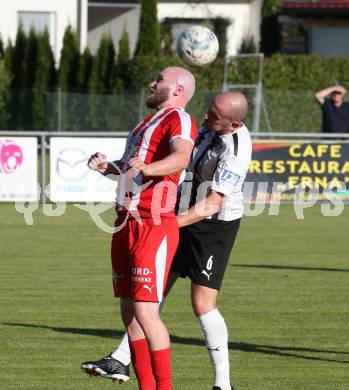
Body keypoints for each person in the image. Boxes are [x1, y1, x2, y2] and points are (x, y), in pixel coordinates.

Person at [82, 91, 252, 390]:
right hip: (177, 211)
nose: (206, 118)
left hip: (213, 224)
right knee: (148, 290)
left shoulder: (237, 146)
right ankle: (121, 357)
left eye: (214, 117)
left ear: (234, 125)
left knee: (202, 303)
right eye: (208, 110)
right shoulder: (202, 126)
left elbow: (214, 203)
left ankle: (223, 384)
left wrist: (167, 223)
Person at [83, 66, 197, 390]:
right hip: (124, 224)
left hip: (154, 223)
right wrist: (109, 167)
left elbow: (180, 158)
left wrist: (148, 167)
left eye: (158, 79)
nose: (151, 82)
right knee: (129, 314)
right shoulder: (143, 125)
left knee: (147, 313)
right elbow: (130, 169)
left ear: (177, 88)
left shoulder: (180, 119)